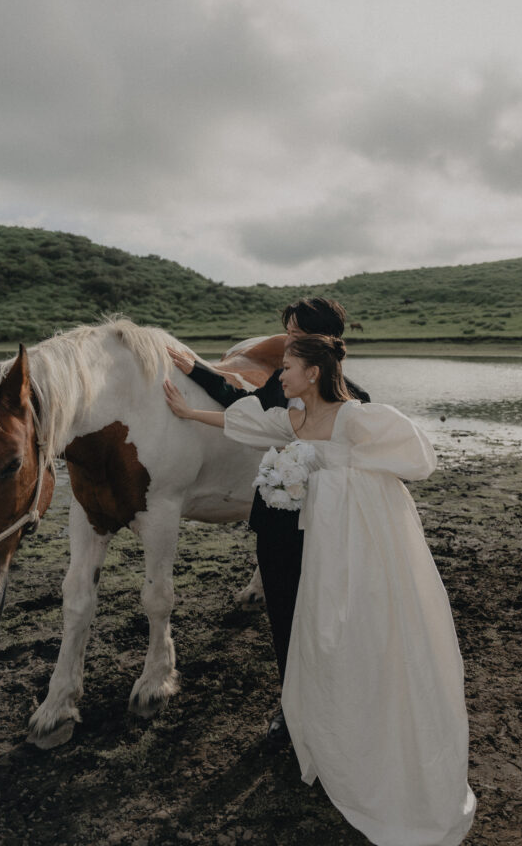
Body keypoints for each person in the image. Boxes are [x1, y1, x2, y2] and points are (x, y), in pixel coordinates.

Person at [164, 335, 475, 846]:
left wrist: (352, 479)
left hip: (365, 539)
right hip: (326, 546)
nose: (279, 375)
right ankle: (336, 730)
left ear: (312, 372)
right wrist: (187, 411)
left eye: (286, 367)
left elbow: (418, 456)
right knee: (324, 628)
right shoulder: (290, 419)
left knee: (368, 623)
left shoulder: (356, 417)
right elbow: (239, 421)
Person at [166, 298, 369, 748]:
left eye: (295, 334)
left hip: (327, 528)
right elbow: (240, 407)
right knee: (282, 618)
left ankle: (338, 699)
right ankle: (292, 705)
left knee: (325, 615)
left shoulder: (360, 405)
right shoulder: (282, 387)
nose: (286, 341)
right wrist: (194, 381)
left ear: (318, 341)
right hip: (276, 526)